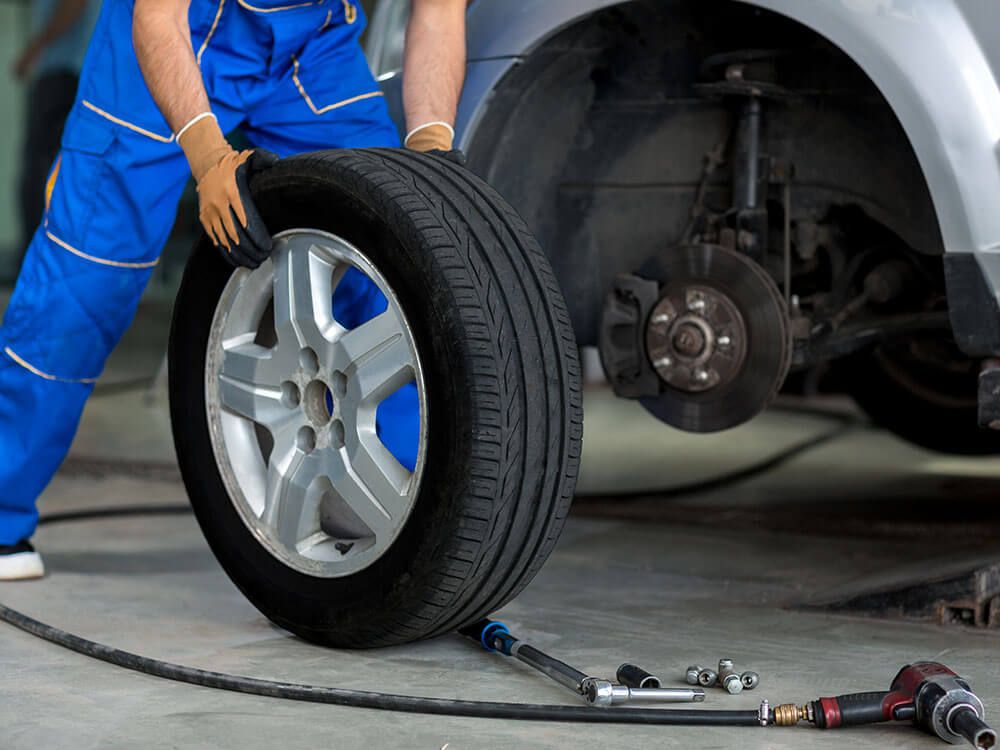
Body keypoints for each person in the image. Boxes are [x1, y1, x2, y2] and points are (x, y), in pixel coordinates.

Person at [0, 0, 467, 580]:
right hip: (175, 34)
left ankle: (416, 516)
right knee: (85, 284)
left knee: (395, 233)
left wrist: (430, 150)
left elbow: (439, 12)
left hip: (310, 47)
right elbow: (158, 18)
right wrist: (209, 158)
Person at [14, 0, 100, 269]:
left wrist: (36, 47)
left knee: (44, 171)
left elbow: (74, 4)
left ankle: (42, 264)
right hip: (67, 73)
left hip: (64, 74)